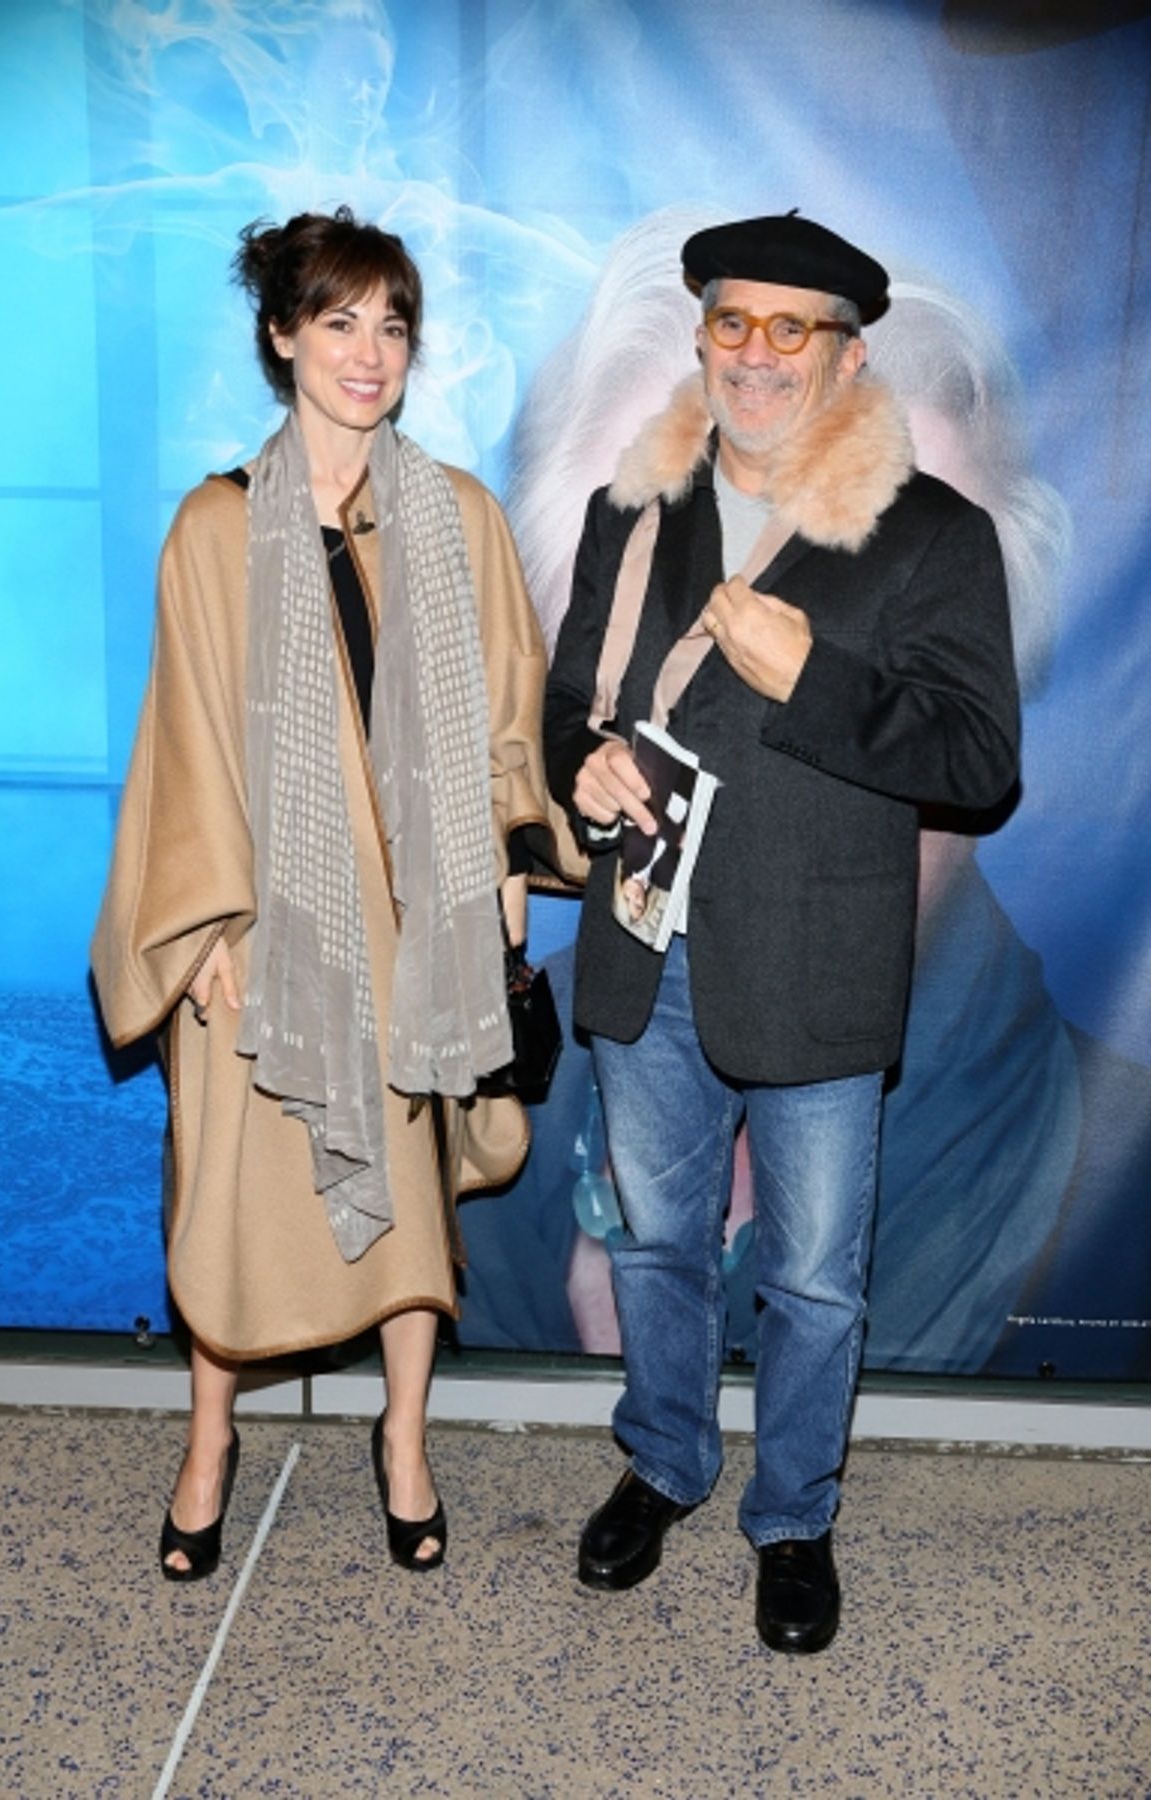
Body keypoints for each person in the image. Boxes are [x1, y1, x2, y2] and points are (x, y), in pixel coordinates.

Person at [542, 212, 1020, 1653]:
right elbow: (570, 701)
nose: (757, 353)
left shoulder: (931, 535)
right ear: (704, 339)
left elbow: (978, 762)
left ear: (847, 354)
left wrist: (813, 675)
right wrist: (582, 763)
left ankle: (795, 1515)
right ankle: (664, 1461)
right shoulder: (635, 512)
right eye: (733, 322)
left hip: (817, 962)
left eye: (791, 327)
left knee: (813, 1276)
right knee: (656, 1245)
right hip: (647, 947)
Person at [92, 208, 553, 1579]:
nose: (369, 352)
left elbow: (509, 714)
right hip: (266, 933)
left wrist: (507, 872)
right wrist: (206, 929)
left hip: (419, 927)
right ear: (281, 335)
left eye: (391, 325)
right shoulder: (215, 526)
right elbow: (183, 741)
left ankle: (404, 1444)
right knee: (234, 1202)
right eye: (339, 321)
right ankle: (208, 1447)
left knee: (409, 1201)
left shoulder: (459, 515)